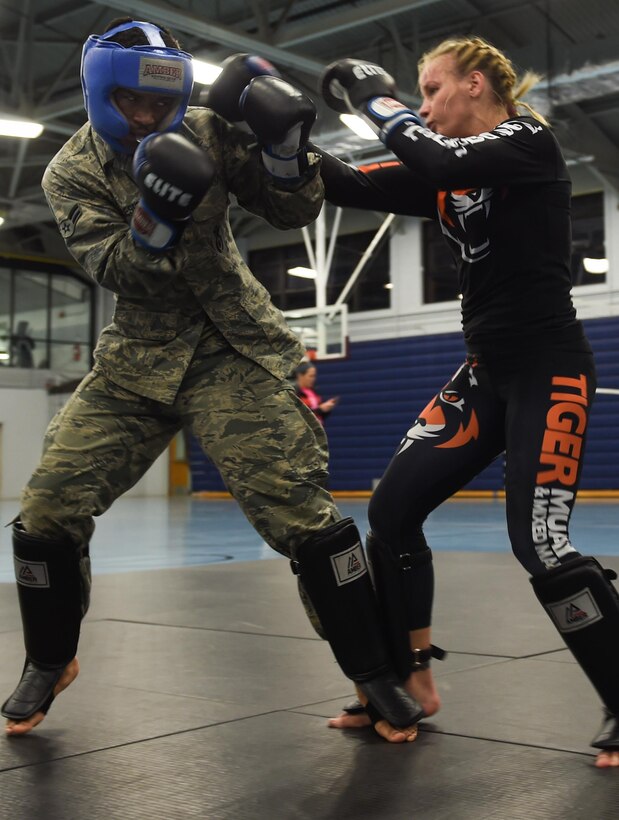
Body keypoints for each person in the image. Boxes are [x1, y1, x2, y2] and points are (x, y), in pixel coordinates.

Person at [1, 19, 424, 743]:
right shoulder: (68, 171)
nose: (146, 116)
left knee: (301, 516)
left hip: (235, 351)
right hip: (134, 363)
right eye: (131, 102)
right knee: (46, 511)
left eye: (156, 104)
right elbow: (114, 270)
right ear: (103, 94)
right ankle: (50, 657)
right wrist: (155, 217)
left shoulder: (202, 126)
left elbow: (292, 208)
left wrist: (286, 150)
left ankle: (373, 671)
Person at [315, 37, 619, 768]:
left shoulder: (526, 141)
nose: (421, 106)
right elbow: (353, 183)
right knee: (388, 514)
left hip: (547, 371)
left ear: (475, 84)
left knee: (538, 544)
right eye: (414, 95)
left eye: (430, 89)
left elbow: (440, 158)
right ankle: (410, 673)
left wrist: (372, 98)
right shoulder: (445, 173)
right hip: (484, 373)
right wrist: (272, 142)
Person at [294, 361, 339, 425]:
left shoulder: (314, 392)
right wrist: (320, 409)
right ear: (300, 376)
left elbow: (320, 415)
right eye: (311, 376)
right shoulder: (295, 393)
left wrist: (327, 409)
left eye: (314, 376)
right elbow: (298, 415)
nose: (313, 379)